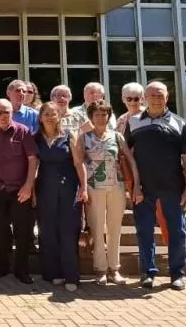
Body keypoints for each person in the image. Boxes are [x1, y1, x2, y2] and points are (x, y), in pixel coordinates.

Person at [124, 82, 186, 291]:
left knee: (177, 232)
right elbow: (126, 158)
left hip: (173, 188)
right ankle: (147, 273)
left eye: (160, 95)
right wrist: (133, 186)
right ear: (145, 97)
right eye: (152, 95)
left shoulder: (180, 123)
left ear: (167, 97)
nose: (156, 98)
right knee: (144, 231)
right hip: (143, 189)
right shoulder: (133, 122)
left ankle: (177, 274)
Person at [0, 99, 39, 284]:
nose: (3, 116)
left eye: (6, 112)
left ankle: (22, 270)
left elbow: (33, 160)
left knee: (22, 231)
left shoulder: (23, 131)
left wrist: (29, 186)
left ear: (12, 112)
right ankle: (1, 266)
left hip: (20, 190)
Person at [34, 102, 87, 292]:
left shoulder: (68, 135)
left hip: (68, 188)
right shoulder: (36, 138)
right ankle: (53, 273)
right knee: (47, 231)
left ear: (59, 116)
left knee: (68, 231)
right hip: (45, 188)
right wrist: (32, 192)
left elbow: (79, 163)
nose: (50, 117)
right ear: (40, 117)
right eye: (46, 114)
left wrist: (84, 187)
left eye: (53, 113)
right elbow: (32, 167)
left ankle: (71, 276)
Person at [81, 99, 133, 286]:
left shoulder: (117, 136)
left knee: (114, 229)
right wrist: (83, 187)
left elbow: (129, 159)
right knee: (96, 228)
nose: (101, 118)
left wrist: (134, 184)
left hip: (116, 187)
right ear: (91, 117)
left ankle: (114, 268)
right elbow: (79, 164)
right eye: (97, 115)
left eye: (104, 115)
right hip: (93, 188)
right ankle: (100, 269)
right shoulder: (83, 137)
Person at [117, 82, 169, 245]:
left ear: (143, 99)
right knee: (142, 215)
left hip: (155, 172)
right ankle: (147, 252)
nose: (133, 102)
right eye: (129, 98)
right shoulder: (121, 119)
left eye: (136, 98)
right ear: (123, 99)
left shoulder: (150, 117)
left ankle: (171, 247)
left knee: (163, 212)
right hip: (132, 173)